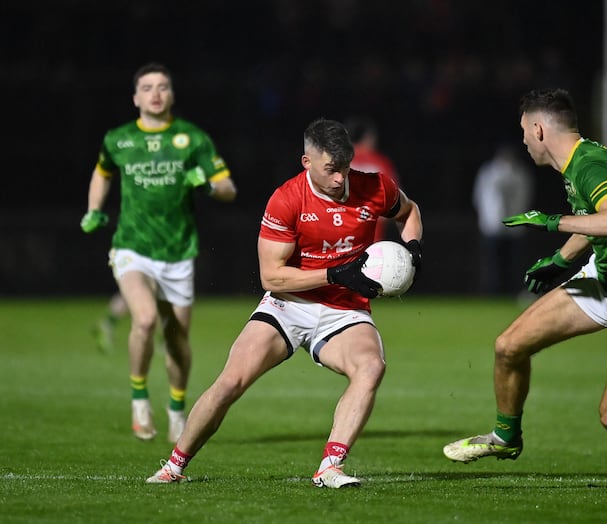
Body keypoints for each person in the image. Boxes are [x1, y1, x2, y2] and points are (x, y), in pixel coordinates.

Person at [145, 118, 423, 488]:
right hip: (288, 304)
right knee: (230, 382)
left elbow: (410, 212)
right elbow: (271, 277)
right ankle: (174, 466)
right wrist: (334, 274)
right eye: (331, 170)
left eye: (345, 168)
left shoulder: (373, 186)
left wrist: (413, 250)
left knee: (371, 367)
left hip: (344, 310)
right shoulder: (287, 199)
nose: (341, 178)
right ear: (307, 163)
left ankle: (330, 467)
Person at [443, 88, 607, 490]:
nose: (522, 140)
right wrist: (561, 259)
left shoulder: (589, 164)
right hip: (605, 279)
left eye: (524, 131)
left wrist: (552, 222)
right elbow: (593, 218)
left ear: (539, 129)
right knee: (509, 346)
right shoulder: (577, 161)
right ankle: (505, 438)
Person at [80, 62, 237, 443]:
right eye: (147, 87)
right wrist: (94, 209)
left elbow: (228, 188)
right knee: (145, 319)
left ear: (171, 95)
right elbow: (102, 172)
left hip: (179, 253)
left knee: (177, 337)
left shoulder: (192, 139)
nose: (155, 93)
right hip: (132, 248)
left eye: (162, 87)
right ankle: (139, 401)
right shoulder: (118, 139)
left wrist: (206, 185)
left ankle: (176, 409)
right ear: (135, 98)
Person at [472, 143, 534, 295]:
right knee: (492, 265)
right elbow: (479, 197)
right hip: (492, 226)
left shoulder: (520, 173)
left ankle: (514, 292)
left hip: (514, 227)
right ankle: (491, 293)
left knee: (514, 264)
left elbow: (526, 197)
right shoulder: (489, 172)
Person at [345, 116, 399, 241]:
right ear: (368, 137)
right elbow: (395, 201)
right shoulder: (380, 163)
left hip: (336, 239)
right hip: (372, 239)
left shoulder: (336, 161)